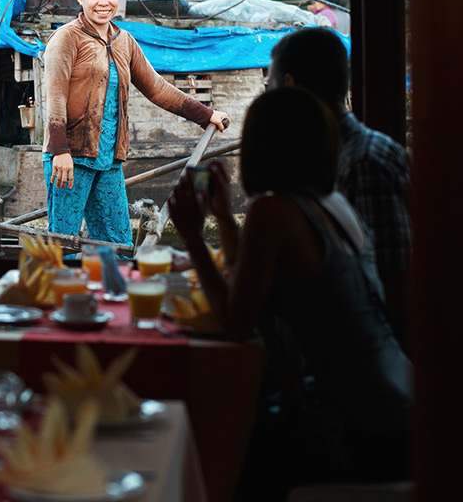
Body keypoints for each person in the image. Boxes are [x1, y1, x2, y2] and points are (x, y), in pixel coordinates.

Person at [168, 87, 412, 492]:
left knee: (225, 439)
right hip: (394, 390)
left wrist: (193, 236)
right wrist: (225, 219)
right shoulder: (329, 202)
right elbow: (249, 280)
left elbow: (236, 323)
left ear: (261, 149)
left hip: (360, 421)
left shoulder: (273, 211)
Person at [42, 0, 230, 245]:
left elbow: (157, 89)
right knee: (65, 241)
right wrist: (59, 150)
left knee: (117, 243)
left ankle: (116, 288)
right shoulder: (67, 38)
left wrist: (205, 114)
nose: (103, 3)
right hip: (70, 157)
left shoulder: (124, 41)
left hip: (108, 159)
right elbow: (55, 95)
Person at [267, 27, 411, 344]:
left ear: (290, 87)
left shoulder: (363, 164)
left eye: (270, 87)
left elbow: (390, 289)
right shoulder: (329, 160)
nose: (266, 100)